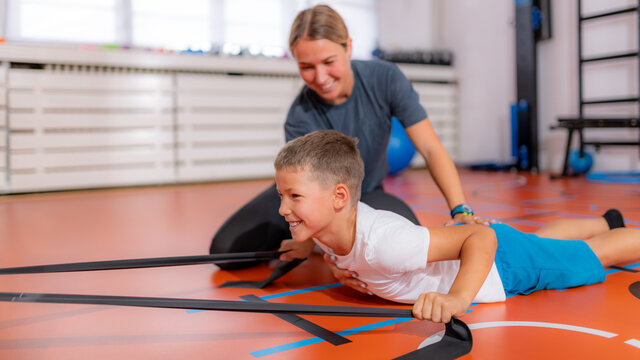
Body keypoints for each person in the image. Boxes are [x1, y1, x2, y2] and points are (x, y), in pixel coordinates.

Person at [209, 4, 490, 291]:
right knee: (225, 251)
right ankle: (310, 237)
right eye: (306, 67)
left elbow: (431, 149)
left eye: (328, 61)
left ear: (349, 47)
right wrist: (319, 245)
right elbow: (309, 189)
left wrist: (460, 210)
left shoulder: (386, 79)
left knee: (403, 247)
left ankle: (320, 239)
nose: (320, 77)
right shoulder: (300, 115)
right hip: (306, 198)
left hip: (365, 197)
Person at [275, 129, 638, 323]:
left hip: (502, 267)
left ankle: (610, 232)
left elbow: (479, 237)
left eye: (294, 196)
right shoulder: (327, 229)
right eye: (281, 195)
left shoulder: (386, 243)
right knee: (539, 241)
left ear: (339, 197)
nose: (282, 208)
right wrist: (313, 251)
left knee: (594, 256)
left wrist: (457, 298)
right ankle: (605, 222)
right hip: (503, 250)